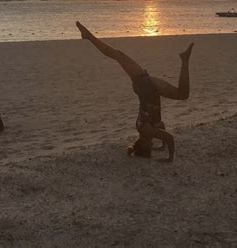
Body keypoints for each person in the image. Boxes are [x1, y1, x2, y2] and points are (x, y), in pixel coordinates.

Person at [76, 21, 193, 162]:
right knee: (182, 94)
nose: (151, 144)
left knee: (118, 55)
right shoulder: (149, 130)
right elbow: (162, 128)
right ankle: (184, 60)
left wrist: (170, 158)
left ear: (143, 144)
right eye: (151, 146)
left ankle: (89, 36)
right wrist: (162, 146)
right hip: (149, 88)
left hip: (143, 84)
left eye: (148, 146)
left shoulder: (145, 130)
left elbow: (169, 137)